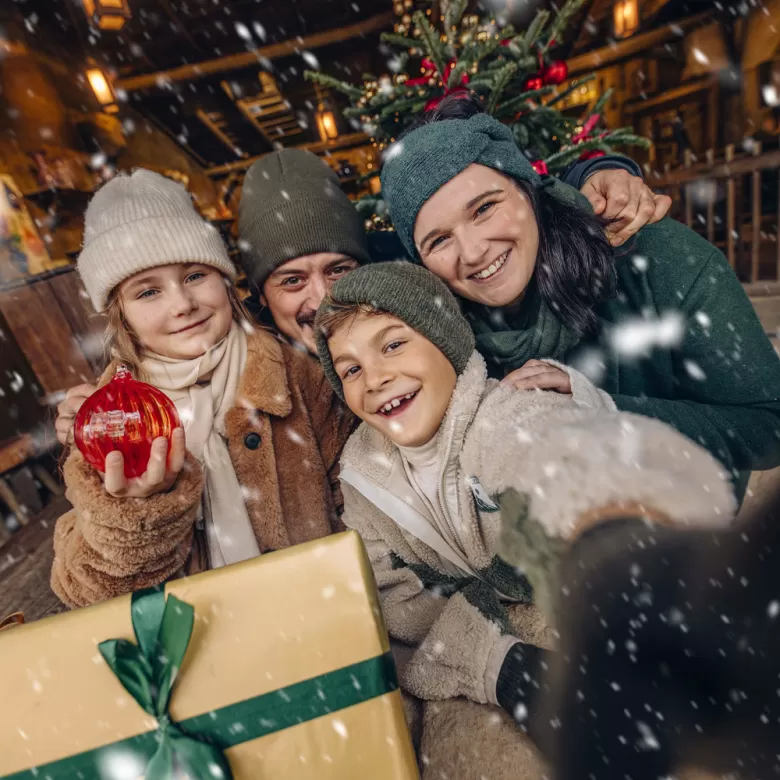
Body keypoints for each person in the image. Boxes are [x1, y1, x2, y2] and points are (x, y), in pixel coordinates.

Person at [313, 261, 735, 776]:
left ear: (446, 340)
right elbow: (389, 600)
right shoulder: (363, 478)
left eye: (394, 344)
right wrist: (505, 668)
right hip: (479, 646)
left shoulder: (509, 419)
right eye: (351, 368)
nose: (375, 378)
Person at [54, 149, 669, 441]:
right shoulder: (262, 372)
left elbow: (499, 203)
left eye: (339, 269)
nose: (322, 299)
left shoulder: (417, 301)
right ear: (260, 297)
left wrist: (600, 172)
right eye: (292, 280)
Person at [379, 94, 780, 501]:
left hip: (684, 533)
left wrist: (601, 412)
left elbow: (768, 425)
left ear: (527, 190)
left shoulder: (657, 258)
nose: (473, 250)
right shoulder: (436, 333)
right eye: (439, 240)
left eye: (484, 208)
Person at [50, 170, 353, 608]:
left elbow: (359, 508)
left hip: (316, 622)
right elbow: (82, 590)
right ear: (122, 316)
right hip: (196, 653)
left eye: (194, 276)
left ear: (224, 280)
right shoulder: (111, 418)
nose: (182, 304)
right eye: (148, 291)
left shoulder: (296, 376)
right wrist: (136, 516)